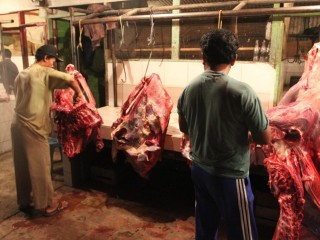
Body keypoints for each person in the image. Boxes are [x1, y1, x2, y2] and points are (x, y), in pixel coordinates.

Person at [177, 29, 271, 240]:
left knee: (205, 227)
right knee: (243, 234)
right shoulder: (243, 92)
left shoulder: (188, 89)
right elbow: (264, 138)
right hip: (230, 175)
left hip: (200, 170)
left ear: (203, 57)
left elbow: (185, 128)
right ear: (235, 59)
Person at [11, 44, 85, 217]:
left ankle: (25, 201)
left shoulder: (22, 74)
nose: (54, 63)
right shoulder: (43, 71)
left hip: (17, 124)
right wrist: (80, 95)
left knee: (22, 165)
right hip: (33, 127)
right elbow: (71, 79)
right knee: (41, 167)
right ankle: (46, 205)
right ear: (45, 58)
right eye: (53, 60)